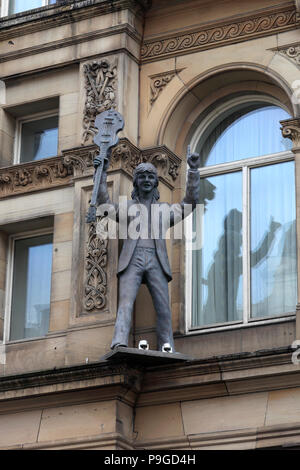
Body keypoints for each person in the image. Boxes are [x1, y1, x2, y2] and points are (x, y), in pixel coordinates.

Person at [94, 149, 200, 352]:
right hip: (132, 259)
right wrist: (101, 172)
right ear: (136, 182)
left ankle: (166, 344)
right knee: (125, 303)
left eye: (150, 176)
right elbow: (104, 204)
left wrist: (193, 170)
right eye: (142, 176)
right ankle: (119, 341)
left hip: (156, 259)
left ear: (155, 182)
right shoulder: (127, 208)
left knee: (163, 306)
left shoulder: (165, 210)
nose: (146, 180)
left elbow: (189, 203)